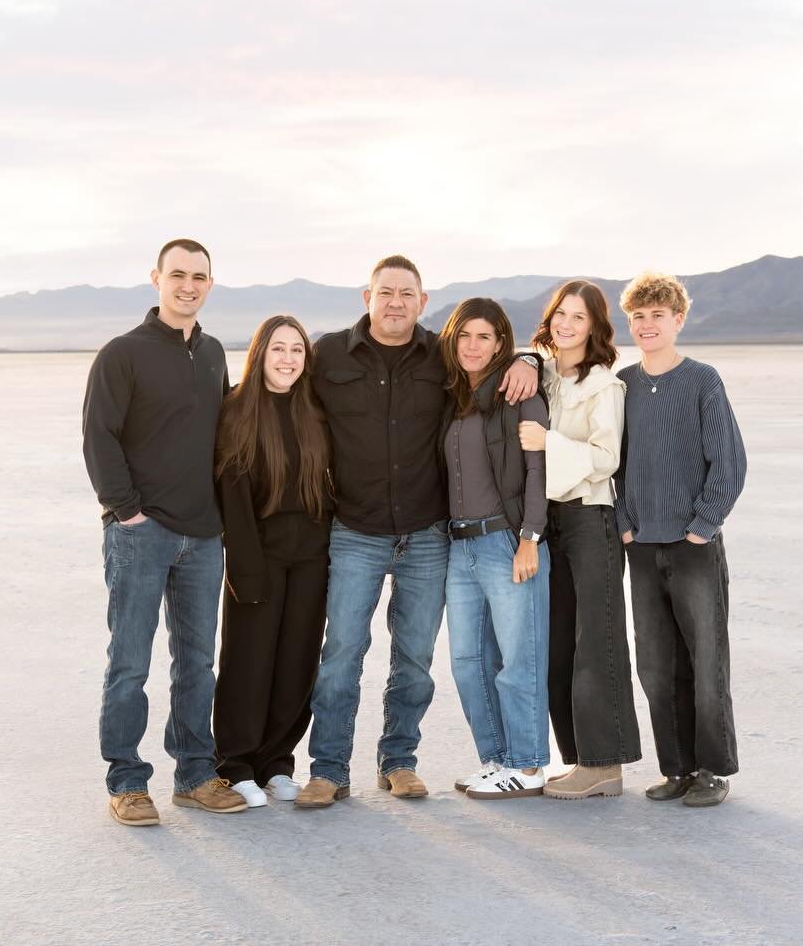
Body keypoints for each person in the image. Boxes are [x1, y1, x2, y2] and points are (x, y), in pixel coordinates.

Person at [296, 255, 540, 809]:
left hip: (427, 535)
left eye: (407, 293)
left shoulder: (441, 355)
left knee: (414, 659)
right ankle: (328, 768)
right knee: (341, 654)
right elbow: (279, 388)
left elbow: (491, 359)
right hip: (354, 531)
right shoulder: (328, 353)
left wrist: (530, 357)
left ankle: (399, 761)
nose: (396, 302)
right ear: (367, 297)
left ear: (423, 302)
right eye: (386, 292)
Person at [81, 238, 247, 825]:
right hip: (140, 534)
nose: (189, 285)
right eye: (178, 274)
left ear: (210, 283)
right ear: (156, 279)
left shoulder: (212, 355)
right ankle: (126, 781)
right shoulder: (122, 354)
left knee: (197, 662)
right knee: (130, 660)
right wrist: (126, 511)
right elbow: (99, 436)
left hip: (203, 536)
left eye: (200, 277)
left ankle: (195, 775)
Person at [615, 271, 747, 807]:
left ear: (678, 320)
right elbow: (613, 464)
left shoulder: (702, 380)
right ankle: (677, 767)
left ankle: (713, 771)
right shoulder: (621, 385)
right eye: (639, 317)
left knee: (706, 658)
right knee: (656, 664)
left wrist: (703, 524)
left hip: (694, 547)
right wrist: (625, 520)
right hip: (642, 547)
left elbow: (730, 460)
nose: (648, 325)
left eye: (658, 316)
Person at [518, 280, 641, 800]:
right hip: (553, 521)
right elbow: (521, 355)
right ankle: (578, 759)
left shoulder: (603, 387)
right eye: (560, 314)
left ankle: (604, 764)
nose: (567, 324)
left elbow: (605, 458)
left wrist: (550, 442)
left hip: (592, 518)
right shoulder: (547, 373)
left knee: (597, 641)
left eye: (580, 317)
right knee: (558, 641)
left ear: (595, 327)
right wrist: (525, 355)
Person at [212, 316, 333, 808]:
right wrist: (244, 567)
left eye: (297, 351)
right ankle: (236, 764)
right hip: (256, 553)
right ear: (260, 353)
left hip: (310, 555)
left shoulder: (314, 411)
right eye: (278, 349)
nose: (287, 359)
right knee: (249, 660)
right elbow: (232, 496)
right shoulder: (237, 410)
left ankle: (277, 762)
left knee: (297, 662)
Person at [439, 297, 553, 800]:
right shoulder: (452, 395)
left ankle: (528, 766)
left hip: (507, 541)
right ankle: (497, 759)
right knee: (467, 660)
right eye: (465, 335)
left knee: (518, 660)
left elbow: (537, 468)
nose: (473, 345)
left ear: (502, 342)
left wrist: (530, 536)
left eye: (484, 336)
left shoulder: (518, 393)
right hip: (459, 546)